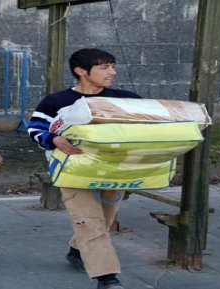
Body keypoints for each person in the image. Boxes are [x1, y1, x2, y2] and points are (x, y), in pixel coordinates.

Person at [27, 48, 141, 289]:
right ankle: (107, 277)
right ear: (81, 71)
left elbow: (152, 123)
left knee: (104, 219)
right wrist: (53, 139)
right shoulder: (56, 101)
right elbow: (35, 129)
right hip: (72, 170)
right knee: (90, 221)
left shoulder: (125, 99)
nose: (113, 72)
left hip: (114, 171)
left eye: (112, 66)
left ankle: (76, 251)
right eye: (104, 67)